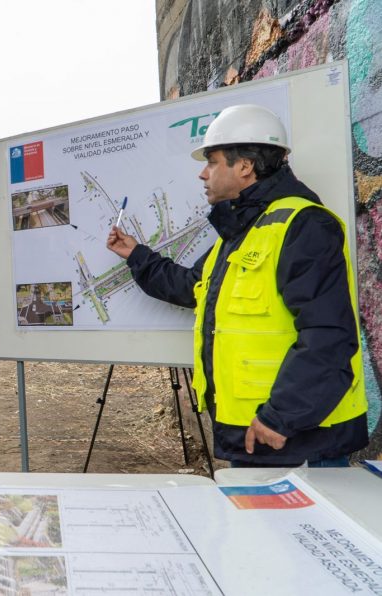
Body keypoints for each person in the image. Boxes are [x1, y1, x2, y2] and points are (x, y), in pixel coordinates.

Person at [106, 104, 368, 467]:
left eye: (212, 161)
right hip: (256, 436)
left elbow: (328, 334)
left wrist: (280, 418)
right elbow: (190, 287)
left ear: (244, 166)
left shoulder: (304, 225)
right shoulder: (241, 233)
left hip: (294, 441)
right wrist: (136, 254)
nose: (203, 174)